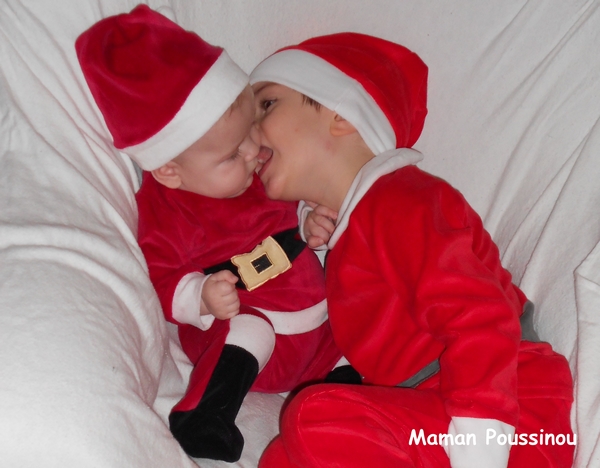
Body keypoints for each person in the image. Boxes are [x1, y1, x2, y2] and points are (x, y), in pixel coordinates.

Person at [250, 33, 575, 468]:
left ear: (341, 114)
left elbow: (479, 316)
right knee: (283, 457)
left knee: (312, 418)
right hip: (430, 412)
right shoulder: (357, 228)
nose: (250, 134)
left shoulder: (402, 201)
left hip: (512, 412)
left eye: (266, 105)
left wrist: (480, 444)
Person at [75, 6, 345, 463]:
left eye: (252, 130)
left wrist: (308, 221)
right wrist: (198, 296)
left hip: (313, 325)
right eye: (231, 155)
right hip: (241, 329)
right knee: (251, 330)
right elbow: (158, 274)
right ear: (170, 170)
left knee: (354, 318)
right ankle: (205, 414)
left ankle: (346, 389)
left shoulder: (254, 169)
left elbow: (291, 200)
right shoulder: (168, 209)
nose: (254, 151)